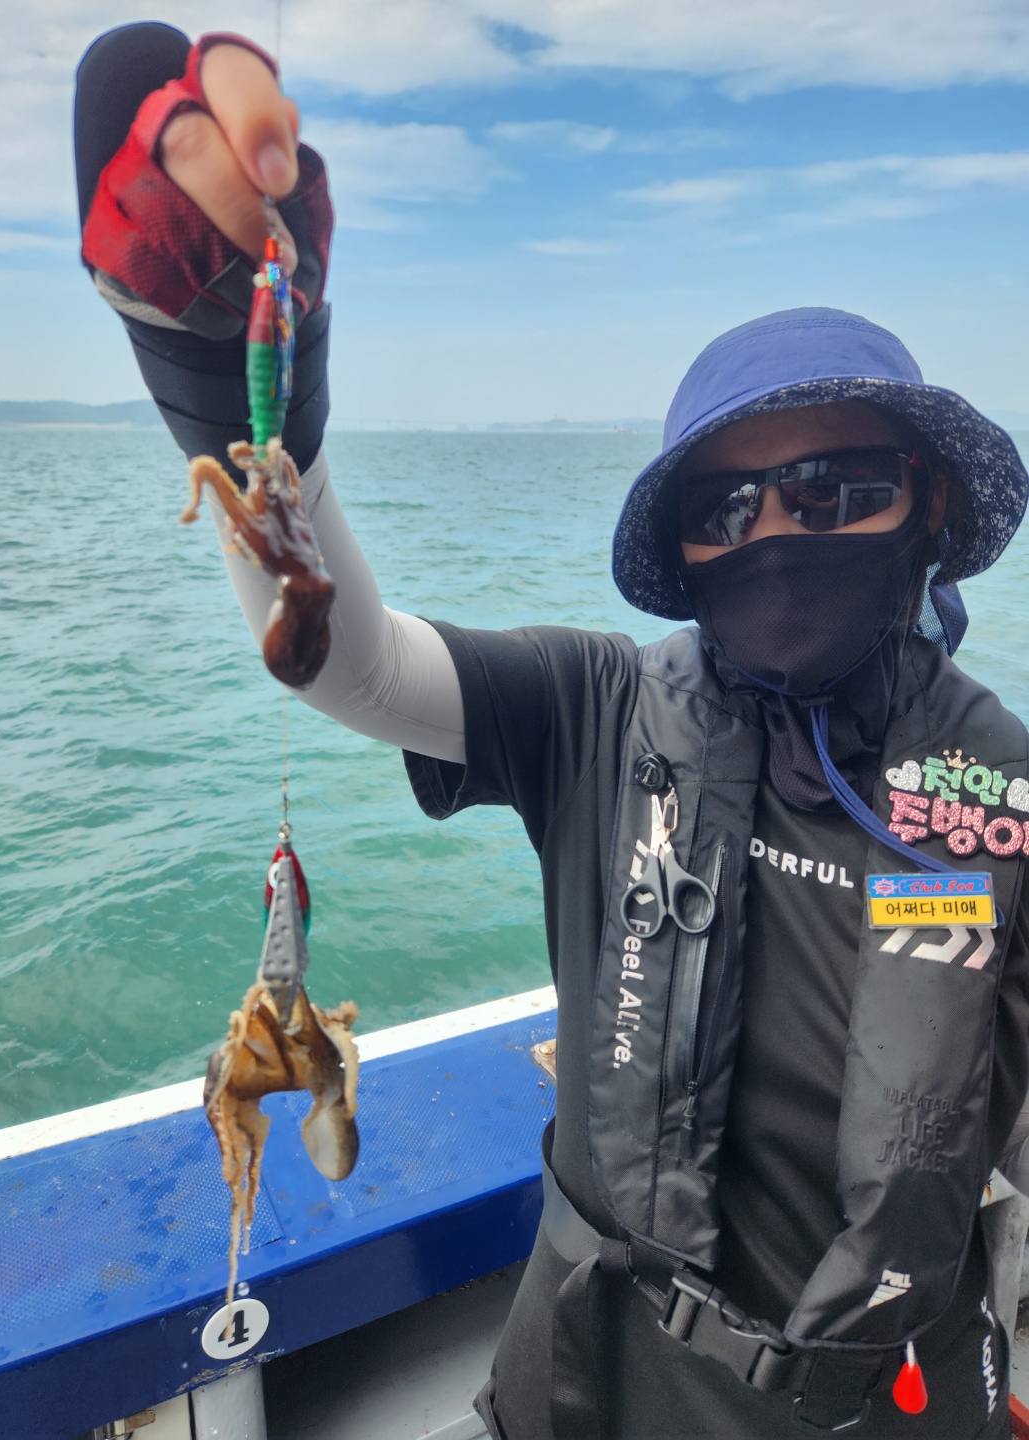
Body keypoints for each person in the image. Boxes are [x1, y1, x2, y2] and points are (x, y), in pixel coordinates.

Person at [75, 25, 1029, 1439]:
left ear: (928, 508)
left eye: (836, 491)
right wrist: (223, 387)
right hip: (578, 1379)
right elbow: (353, 665)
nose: (776, 532)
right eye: (727, 508)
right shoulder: (596, 706)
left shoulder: (1005, 792)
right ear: (683, 547)